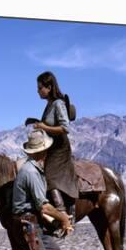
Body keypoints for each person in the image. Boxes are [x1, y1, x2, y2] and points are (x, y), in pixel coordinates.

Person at [33, 71, 79, 226]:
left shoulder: (58, 103)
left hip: (60, 148)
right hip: (50, 146)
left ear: (49, 86)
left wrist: (44, 126)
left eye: (40, 88)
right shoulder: (49, 105)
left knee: (50, 177)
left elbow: (65, 128)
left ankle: (63, 215)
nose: (38, 91)